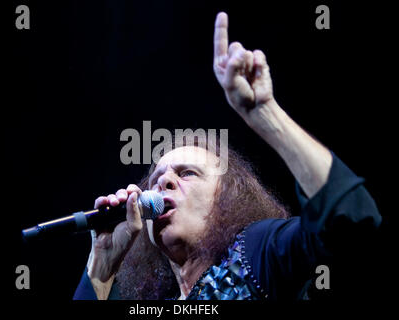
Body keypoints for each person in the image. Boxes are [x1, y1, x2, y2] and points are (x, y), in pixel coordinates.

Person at [73, 12, 381, 300]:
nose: (163, 181)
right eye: (155, 180)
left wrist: (265, 115)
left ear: (226, 199)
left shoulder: (258, 253)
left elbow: (351, 219)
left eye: (187, 173)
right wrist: (102, 260)